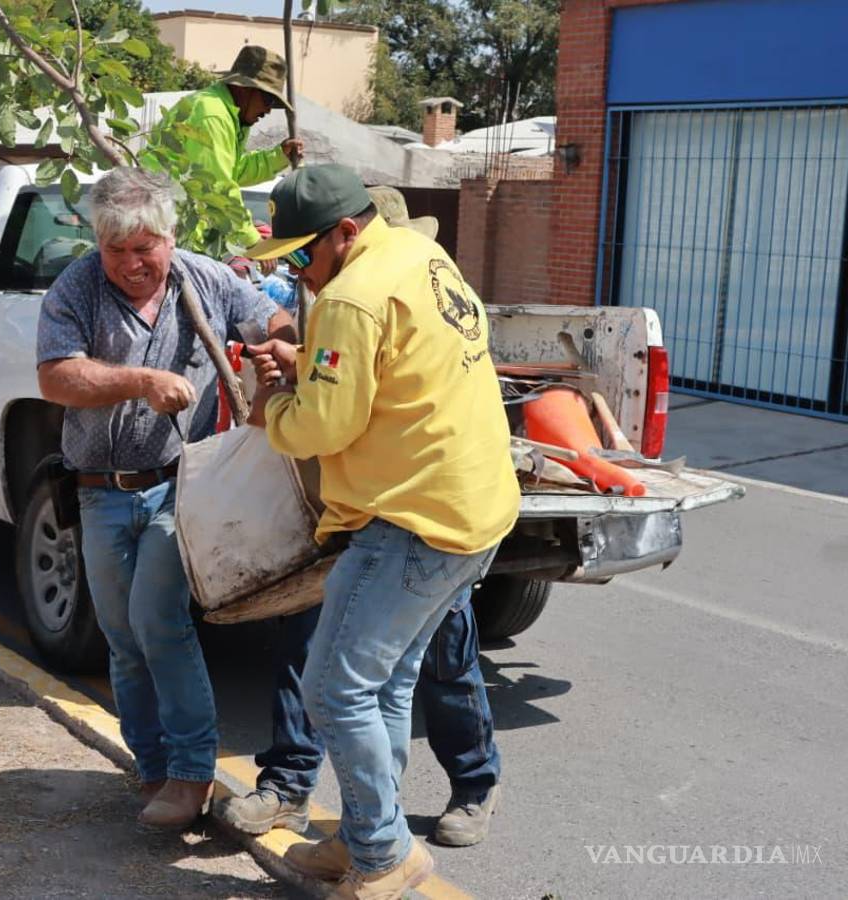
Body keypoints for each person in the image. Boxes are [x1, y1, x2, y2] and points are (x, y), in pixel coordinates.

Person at [241, 165, 520, 898]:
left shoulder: (349, 298)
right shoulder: (422, 257)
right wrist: (312, 367)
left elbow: (323, 427)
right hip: (474, 510)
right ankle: (367, 831)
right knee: (387, 684)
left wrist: (273, 409)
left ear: (345, 232)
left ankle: (383, 854)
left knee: (334, 691)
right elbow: (390, 376)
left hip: (412, 521)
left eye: (303, 256)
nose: (297, 273)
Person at [36, 167, 296, 830]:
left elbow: (275, 322)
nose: (131, 264)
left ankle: (190, 773)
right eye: (115, 250)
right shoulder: (77, 287)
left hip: (181, 488)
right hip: (99, 492)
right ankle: (151, 767)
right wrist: (141, 381)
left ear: (170, 238)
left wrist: (278, 350)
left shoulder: (206, 279)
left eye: (143, 248)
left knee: (159, 622)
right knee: (123, 639)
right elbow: (56, 377)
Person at [150, 45, 304, 254]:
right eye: (268, 99)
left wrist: (278, 157)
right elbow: (218, 188)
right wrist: (253, 242)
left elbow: (232, 172)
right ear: (244, 88)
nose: (268, 110)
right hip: (167, 235)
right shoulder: (213, 116)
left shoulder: (229, 114)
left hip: (176, 234)